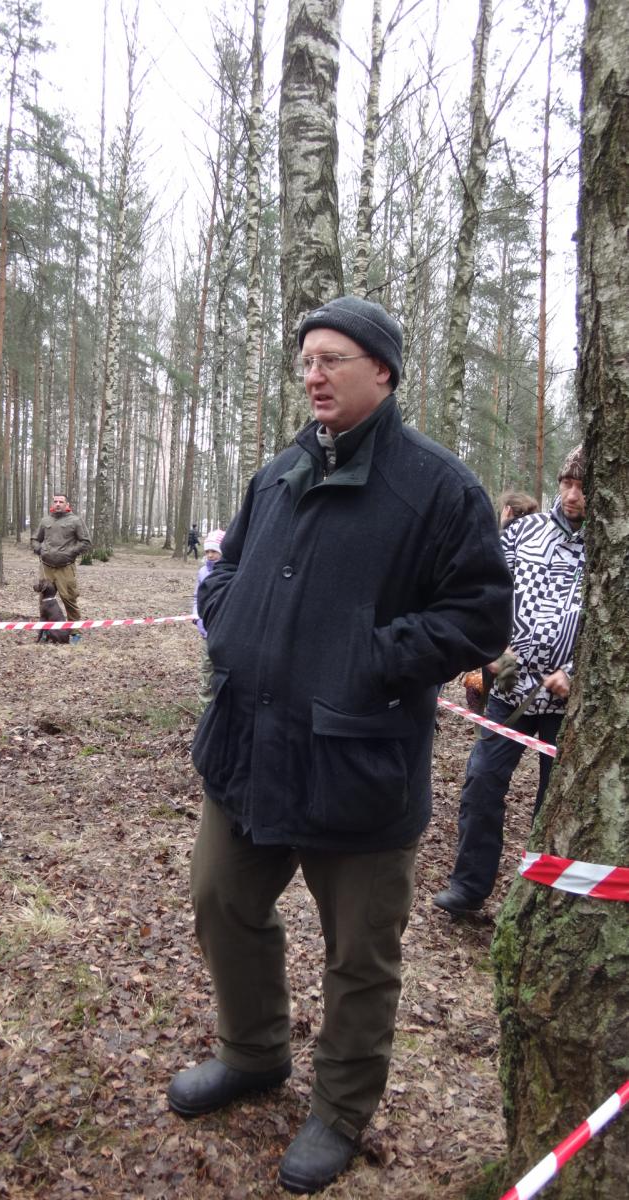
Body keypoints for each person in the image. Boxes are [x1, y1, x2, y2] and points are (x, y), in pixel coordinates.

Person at [167, 295, 513, 1194]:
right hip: (247, 746)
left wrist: (369, 656)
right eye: (306, 362)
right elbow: (226, 568)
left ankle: (340, 1110)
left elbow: (481, 617)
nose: (312, 376)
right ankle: (252, 1053)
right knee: (219, 900)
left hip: (358, 765)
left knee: (359, 955)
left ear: (382, 371)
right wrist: (227, 617)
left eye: (332, 360)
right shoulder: (279, 472)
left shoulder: (438, 488)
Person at [434, 445, 586, 917]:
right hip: (510, 692)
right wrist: (492, 651)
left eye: (584, 488)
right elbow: (488, 591)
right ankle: (468, 886)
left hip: (571, 706)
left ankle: (539, 903)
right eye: (567, 484)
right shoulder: (524, 531)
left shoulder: (611, 546)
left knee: (556, 804)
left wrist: (576, 674)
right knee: (482, 782)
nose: (573, 496)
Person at [30, 495, 91, 627]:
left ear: (67, 504)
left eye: (61, 502)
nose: (58, 504)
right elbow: (35, 539)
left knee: (69, 598)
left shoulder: (75, 521)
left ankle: (74, 631)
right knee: (44, 600)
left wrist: (70, 552)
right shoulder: (45, 520)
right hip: (46, 568)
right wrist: (39, 549)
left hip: (65, 568)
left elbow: (85, 542)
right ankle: (45, 629)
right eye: (55, 501)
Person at [191, 529, 225, 712]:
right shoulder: (203, 572)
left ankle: (223, 702)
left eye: (214, 551)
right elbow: (197, 598)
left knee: (225, 666)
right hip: (207, 630)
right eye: (207, 551)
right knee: (207, 666)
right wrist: (197, 618)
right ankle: (205, 703)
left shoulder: (232, 571)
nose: (210, 555)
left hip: (226, 630)